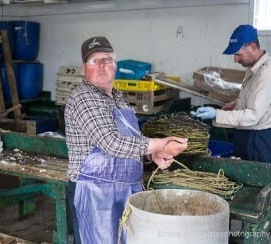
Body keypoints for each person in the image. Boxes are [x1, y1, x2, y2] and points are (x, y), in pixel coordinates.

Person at [65, 36, 188, 243]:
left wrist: (152, 154)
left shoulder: (119, 96)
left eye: (107, 59)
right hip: (96, 193)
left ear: (115, 64)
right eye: (94, 61)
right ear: (83, 68)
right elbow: (110, 143)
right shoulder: (83, 97)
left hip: (126, 190)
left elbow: (130, 139)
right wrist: (161, 143)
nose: (102, 66)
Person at [193, 24, 271, 163]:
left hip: (258, 142)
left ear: (252, 47)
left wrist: (217, 114)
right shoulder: (253, 67)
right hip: (247, 135)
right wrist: (236, 103)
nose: (236, 60)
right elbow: (255, 97)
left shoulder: (266, 74)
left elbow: (253, 116)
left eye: (238, 54)